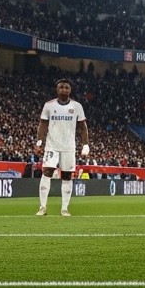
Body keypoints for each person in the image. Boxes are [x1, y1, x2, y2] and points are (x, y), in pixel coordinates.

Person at [35, 78, 89, 217]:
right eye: (61, 87)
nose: (64, 89)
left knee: (66, 176)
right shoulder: (49, 105)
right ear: (57, 89)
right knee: (47, 172)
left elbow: (83, 127)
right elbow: (43, 124)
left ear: (70, 90)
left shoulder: (77, 106)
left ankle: (64, 209)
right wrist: (39, 142)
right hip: (52, 145)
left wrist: (86, 144)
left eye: (66, 87)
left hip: (69, 147)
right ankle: (42, 207)